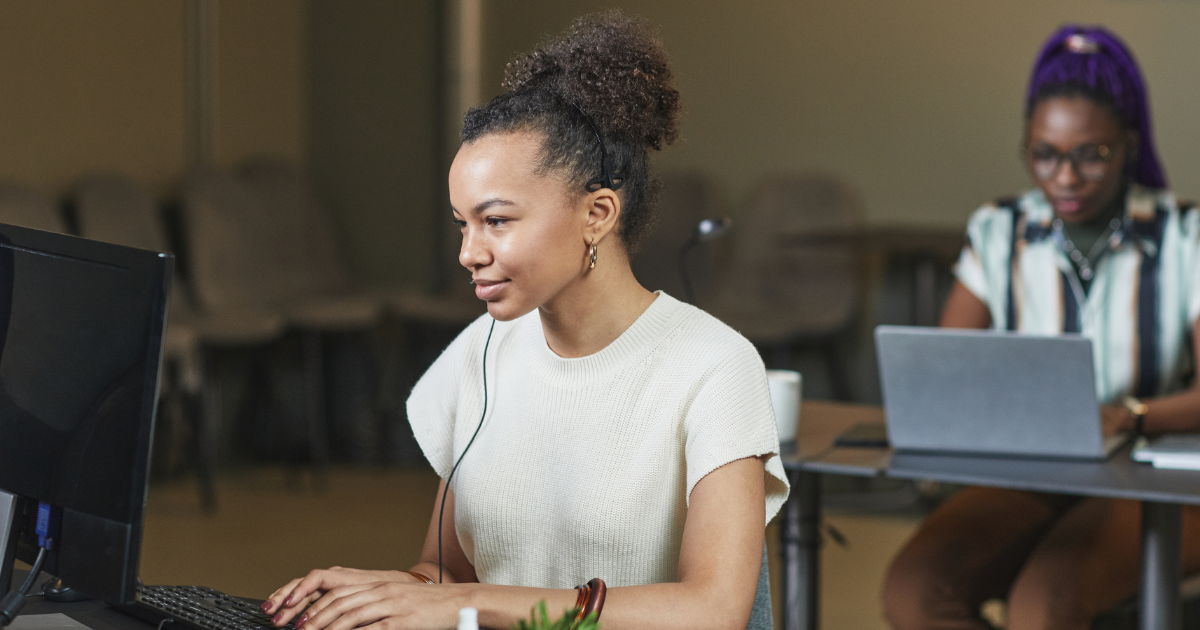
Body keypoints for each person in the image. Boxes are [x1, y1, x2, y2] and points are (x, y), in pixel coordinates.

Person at [261, 11, 789, 630]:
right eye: (464, 224)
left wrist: (463, 604)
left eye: (498, 221)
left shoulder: (713, 365)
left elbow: (711, 611)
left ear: (597, 214)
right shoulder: (479, 348)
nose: (469, 252)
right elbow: (448, 574)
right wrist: (373, 592)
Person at [882, 25, 1200, 630]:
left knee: (1043, 605)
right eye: (1045, 154)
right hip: (1039, 471)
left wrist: (1128, 416)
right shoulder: (1001, 229)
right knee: (914, 591)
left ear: (1129, 145)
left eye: (1091, 154)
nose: (1065, 177)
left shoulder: (1184, 236)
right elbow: (946, 369)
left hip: (1157, 480)